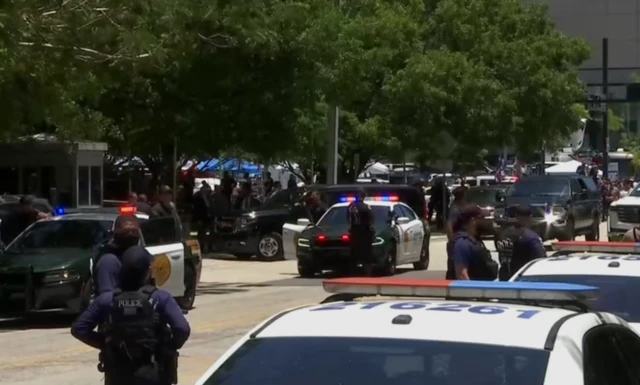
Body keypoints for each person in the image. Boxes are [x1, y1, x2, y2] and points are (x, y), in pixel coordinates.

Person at [72, 246, 190, 385]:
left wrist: (105, 343)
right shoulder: (160, 298)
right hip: (154, 372)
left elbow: (79, 328)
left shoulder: (107, 300)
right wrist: (167, 347)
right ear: (147, 272)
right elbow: (182, 329)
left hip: (117, 374)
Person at [93, 214, 142, 295]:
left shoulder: (139, 255)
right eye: (126, 232)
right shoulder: (108, 260)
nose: (130, 235)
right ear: (115, 233)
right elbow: (106, 298)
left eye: (134, 231)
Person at [495, 205, 546, 281]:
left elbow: (500, 255)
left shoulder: (505, 233)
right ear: (530, 217)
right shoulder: (531, 237)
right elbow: (541, 258)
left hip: (505, 278)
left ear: (516, 216)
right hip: (523, 278)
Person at [450, 204, 498, 280]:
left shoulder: (474, 240)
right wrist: (473, 291)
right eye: (482, 218)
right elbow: (462, 275)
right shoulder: (462, 243)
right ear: (473, 221)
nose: (484, 221)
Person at [347, 189, 375, 276]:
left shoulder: (350, 206)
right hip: (365, 233)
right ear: (363, 197)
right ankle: (367, 274)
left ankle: (353, 273)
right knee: (367, 255)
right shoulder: (366, 207)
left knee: (354, 254)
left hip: (354, 233)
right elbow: (371, 220)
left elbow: (348, 219)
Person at [445, 186, 468, 279]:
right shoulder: (456, 209)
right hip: (456, 242)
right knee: (455, 270)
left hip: (459, 242)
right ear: (463, 196)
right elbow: (449, 225)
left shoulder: (459, 207)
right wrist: (453, 241)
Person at [192, 182, 212, 253]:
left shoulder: (207, 198)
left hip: (207, 219)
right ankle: (200, 248)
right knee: (200, 234)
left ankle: (205, 248)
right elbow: (196, 209)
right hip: (200, 218)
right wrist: (198, 219)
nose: (208, 190)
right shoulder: (198, 198)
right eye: (206, 189)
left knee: (205, 234)